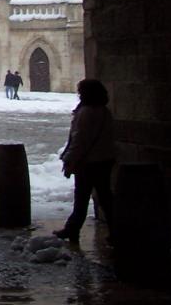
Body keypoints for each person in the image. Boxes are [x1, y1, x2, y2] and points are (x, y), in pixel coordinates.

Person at [54, 79, 116, 244]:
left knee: (81, 198)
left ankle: (72, 229)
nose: (79, 94)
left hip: (88, 163)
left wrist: (69, 160)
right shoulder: (105, 111)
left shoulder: (86, 112)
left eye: (81, 91)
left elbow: (79, 140)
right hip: (105, 160)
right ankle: (117, 230)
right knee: (106, 197)